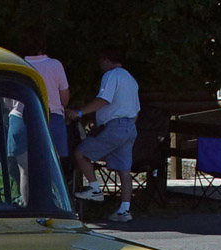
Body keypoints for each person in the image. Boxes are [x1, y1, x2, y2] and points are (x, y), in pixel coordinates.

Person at [67, 48, 140, 223]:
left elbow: (104, 100)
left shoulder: (111, 75)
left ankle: (94, 188)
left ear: (107, 60)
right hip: (130, 126)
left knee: (80, 153)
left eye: (101, 61)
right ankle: (124, 210)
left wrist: (79, 112)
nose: (100, 65)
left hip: (115, 126)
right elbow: (136, 109)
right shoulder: (130, 79)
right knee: (124, 170)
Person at [21, 27, 71, 164]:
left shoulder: (20, 65)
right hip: (52, 116)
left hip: (22, 118)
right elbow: (64, 97)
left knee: (26, 168)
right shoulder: (55, 65)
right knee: (54, 165)